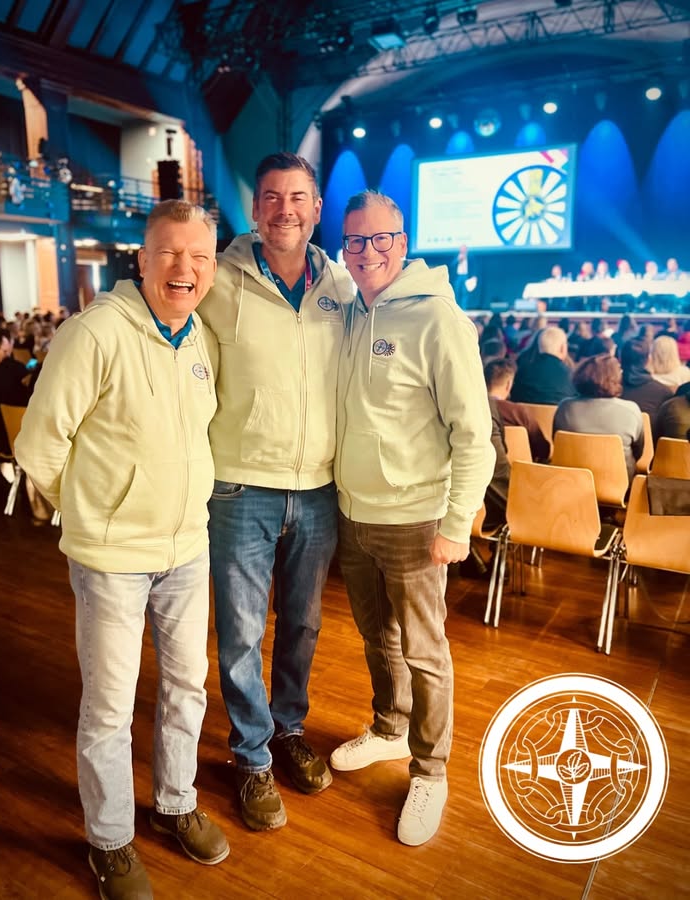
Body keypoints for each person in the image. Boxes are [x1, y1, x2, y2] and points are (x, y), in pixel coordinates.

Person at [15, 200, 228, 900]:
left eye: (199, 256)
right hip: (112, 558)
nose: (185, 268)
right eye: (170, 252)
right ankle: (109, 840)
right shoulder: (95, 332)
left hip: (187, 548)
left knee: (187, 687)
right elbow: (39, 444)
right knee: (109, 707)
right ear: (142, 259)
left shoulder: (199, 338)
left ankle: (175, 803)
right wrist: (93, 513)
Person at [329, 190, 494, 847]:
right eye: (355, 241)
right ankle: (390, 728)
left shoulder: (437, 318)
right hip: (354, 513)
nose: (367, 252)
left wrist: (457, 522)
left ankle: (430, 770)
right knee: (378, 638)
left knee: (425, 652)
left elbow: (473, 434)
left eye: (380, 239)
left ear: (403, 243)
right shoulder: (350, 310)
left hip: (417, 522)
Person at [196, 152, 354, 832]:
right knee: (239, 633)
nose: (284, 209)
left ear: (316, 208)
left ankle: (288, 728)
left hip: (317, 489)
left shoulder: (342, 286)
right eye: (271, 197)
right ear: (255, 209)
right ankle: (251, 755)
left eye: (297, 197)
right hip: (239, 487)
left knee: (303, 625)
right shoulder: (218, 279)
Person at [553, 354, 644, 483]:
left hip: (571, 481)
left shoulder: (565, 407)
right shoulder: (631, 410)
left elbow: (556, 441)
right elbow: (638, 451)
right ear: (616, 378)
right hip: (619, 484)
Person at [484, 357, 550, 461]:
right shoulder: (518, 412)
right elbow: (543, 450)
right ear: (508, 384)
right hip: (521, 467)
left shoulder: (475, 408)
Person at [510, 325, 575, 405]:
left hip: (523, 413)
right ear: (562, 348)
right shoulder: (571, 376)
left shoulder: (521, 371)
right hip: (558, 413)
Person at [620, 338, 673, 437]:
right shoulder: (664, 392)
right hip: (651, 445)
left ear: (620, 359)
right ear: (648, 360)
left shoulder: (606, 389)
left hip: (613, 445)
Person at [450, 243, 478, 309]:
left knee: (465, 293)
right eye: (462, 248)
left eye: (464, 249)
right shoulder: (456, 255)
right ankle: (456, 308)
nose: (463, 250)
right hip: (458, 276)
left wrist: (474, 276)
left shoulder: (470, 256)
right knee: (457, 292)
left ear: (466, 249)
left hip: (466, 276)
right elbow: (452, 265)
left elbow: (474, 266)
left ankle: (464, 308)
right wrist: (458, 259)